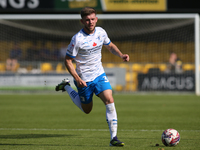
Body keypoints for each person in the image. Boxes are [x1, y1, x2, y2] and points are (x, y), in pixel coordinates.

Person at [55, 7, 129, 146]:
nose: (90, 22)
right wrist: (77, 79)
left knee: (109, 100)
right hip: (84, 79)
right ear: (82, 21)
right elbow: (67, 60)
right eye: (87, 20)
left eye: (93, 19)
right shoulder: (77, 39)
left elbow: (110, 45)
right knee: (87, 110)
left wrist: (121, 55)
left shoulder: (101, 32)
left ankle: (114, 138)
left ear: (96, 19)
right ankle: (67, 86)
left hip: (99, 74)